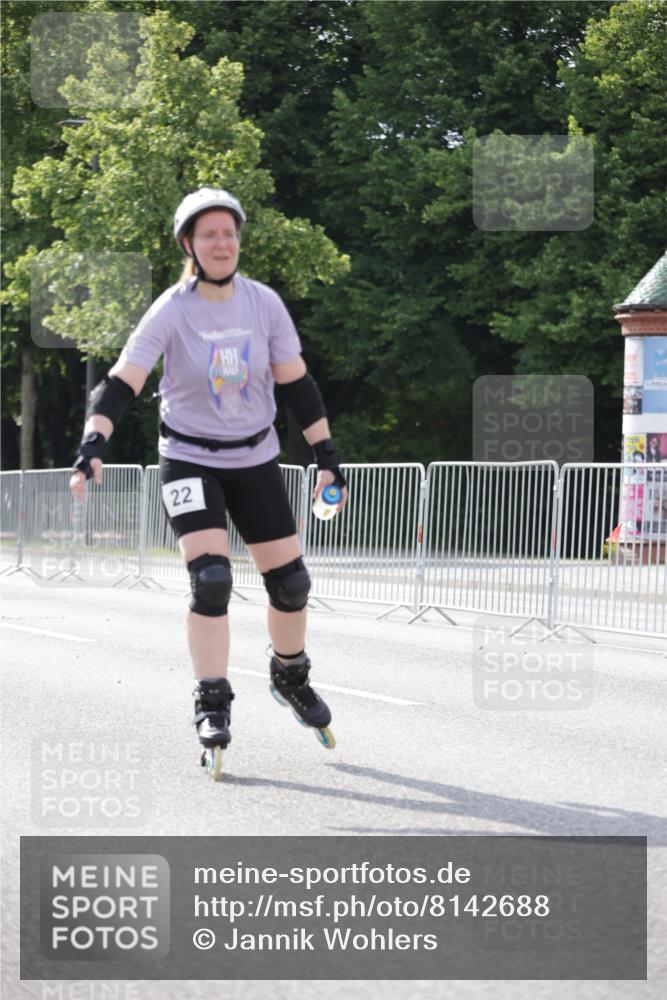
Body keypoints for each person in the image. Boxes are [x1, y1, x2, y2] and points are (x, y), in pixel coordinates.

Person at [69, 187, 348, 769]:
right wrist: (94, 442)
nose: (222, 243)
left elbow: (296, 384)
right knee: (213, 580)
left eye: (230, 233)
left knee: (292, 584)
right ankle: (212, 699)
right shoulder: (172, 309)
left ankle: (290, 675)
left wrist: (326, 455)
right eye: (209, 235)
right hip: (190, 458)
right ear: (189, 245)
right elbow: (122, 381)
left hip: (255, 458)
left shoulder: (264, 304)